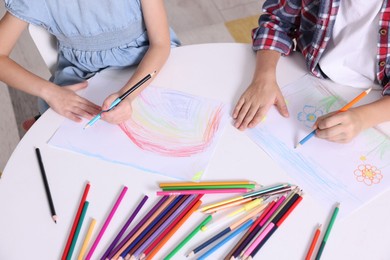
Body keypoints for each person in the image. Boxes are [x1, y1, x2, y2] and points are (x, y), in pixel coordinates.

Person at [0, 0, 180, 130]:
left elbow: (160, 44)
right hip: (85, 77)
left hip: (147, 66)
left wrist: (127, 96)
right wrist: (49, 92)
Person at [233, 0, 390, 143]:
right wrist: (264, 77)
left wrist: (362, 118)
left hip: (377, 103)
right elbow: (278, 21)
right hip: (306, 74)